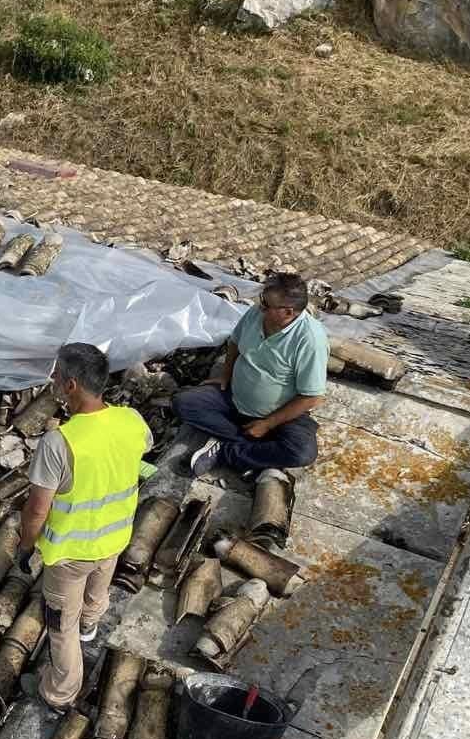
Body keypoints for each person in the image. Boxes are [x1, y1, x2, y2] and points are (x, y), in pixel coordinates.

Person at [17, 343, 152, 713]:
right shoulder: (132, 420)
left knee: (60, 626)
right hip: (114, 539)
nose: (53, 381)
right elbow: (136, 454)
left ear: (71, 385)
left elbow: (36, 510)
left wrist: (26, 547)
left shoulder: (59, 442)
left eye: (56, 376)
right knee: (97, 591)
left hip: (69, 554)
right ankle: (90, 626)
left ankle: (59, 693)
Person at [176, 273, 327, 478]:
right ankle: (255, 449)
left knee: (302, 452)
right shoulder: (256, 314)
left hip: (279, 415)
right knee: (184, 403)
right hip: (235, 399)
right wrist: (225, 376)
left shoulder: (310, 339)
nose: (260, 305)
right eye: (262, 299)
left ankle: (226, 452)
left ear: (288, 312)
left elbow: (311, 397)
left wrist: (267, 424)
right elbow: (235, 342)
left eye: (266, 303)